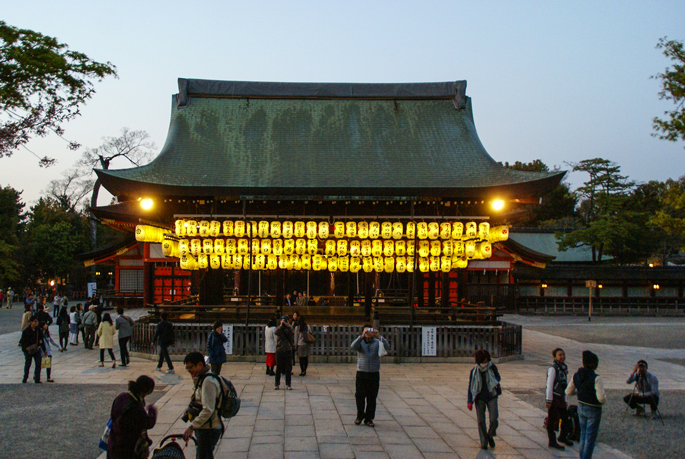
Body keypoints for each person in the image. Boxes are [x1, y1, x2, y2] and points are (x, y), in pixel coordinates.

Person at [182, 351, 223, 459]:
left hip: (208, 428)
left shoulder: (208, 381)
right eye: (187, 368)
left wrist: (192, 427)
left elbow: (208, 409)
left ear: (200, 365)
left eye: (190, 367)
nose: (189, 370)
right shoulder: (202, 378)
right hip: (204, 426)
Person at [566, 350, 606, 459]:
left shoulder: (577, 375)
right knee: (590, 437)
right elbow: (601, 398)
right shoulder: (596, 378)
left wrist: (579, 391)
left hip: (581, 407)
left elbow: (568, 392)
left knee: (583, 435)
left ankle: (582, 456)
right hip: (593, 409)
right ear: (593, 364)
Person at [108, 375, 158, 459]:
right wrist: (152, 411)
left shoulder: (121, 397)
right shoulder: (135, 408)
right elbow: (148, 423)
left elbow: (113, 416)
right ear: (145, 392)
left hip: (114, 442)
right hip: (129, 449)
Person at [350, 325, 390, 427]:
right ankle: (359, 416)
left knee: (372, 397)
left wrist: (379, 336)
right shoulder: (360, 342)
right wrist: (361, 336)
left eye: (370, 331)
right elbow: (353, 347)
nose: (368, 333)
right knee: (359, 395)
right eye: (366, 331)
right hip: (361, 372)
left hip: (373, 373)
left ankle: (369, 418)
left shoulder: (377, 342)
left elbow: (387, 347)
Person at [467, 349, 501, 450]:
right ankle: (484, 441)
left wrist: (494, 382)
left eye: (486, 361)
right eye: (483, 362)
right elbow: (471, 386)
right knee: (481, 421)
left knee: (494, 419)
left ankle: (490, 435)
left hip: (492, 396)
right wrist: (469, 401)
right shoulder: (474, 371)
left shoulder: (492, 367)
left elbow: (498, 377)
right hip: (479, 397)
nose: (485, 364)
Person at [546, 348, 572, 449]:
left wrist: (566, 400)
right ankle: (552, 441)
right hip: (554, 396)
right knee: (551, 420)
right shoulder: (553, 369)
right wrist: (549, 400)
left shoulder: (563, 368)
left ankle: (562, 436)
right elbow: (549, 385)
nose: (562, 357)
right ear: (555, 357)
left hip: (561, 397)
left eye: (563, 354)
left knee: (565, 418)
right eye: (560, 355)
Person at [19, 316, 44, 383]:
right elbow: (22, 341)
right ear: (31, 322)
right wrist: (25, 350)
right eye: (35, 321)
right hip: (28, 350)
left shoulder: (38, 330)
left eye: (37, 321)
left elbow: (41, 340)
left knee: (38, 364)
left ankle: (37, 378)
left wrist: (44, 349)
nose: (36, 323)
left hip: (36, 349)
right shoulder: (26, 331)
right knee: (28, 364)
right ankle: (25, 377)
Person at [274, 315, 295, 390]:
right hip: (280, 349)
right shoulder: (279, 328)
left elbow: (293, 333)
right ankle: (277, 384)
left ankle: (288, 384)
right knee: (278, 367)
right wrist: (280, 325)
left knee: (288, 368)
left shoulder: (290, 328)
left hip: (288, 349)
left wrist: (288, 326)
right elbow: (276, 332)